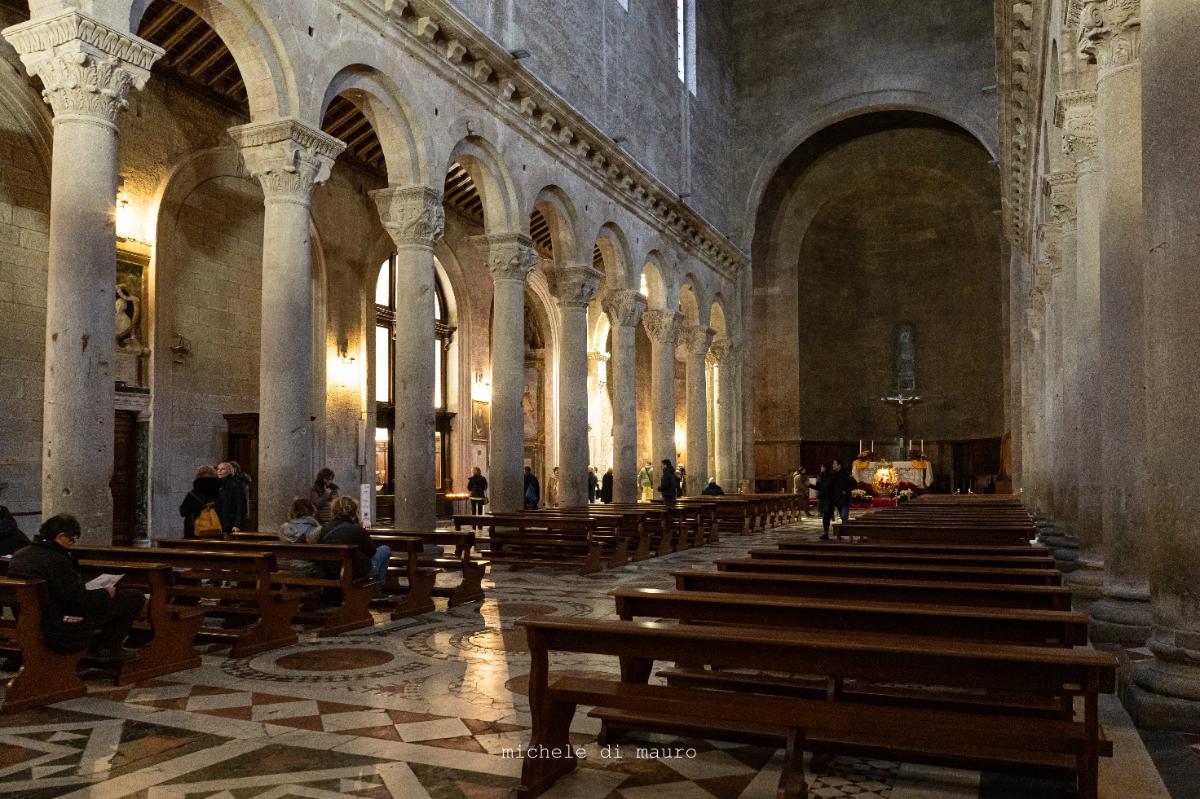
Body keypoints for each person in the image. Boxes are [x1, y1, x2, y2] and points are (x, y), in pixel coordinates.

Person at [8, 514, 144, 661]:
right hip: (60, 626)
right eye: (73, 539)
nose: (74, 544)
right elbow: (77, 603)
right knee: (132, 597)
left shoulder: (20, 555)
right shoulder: (57, 560)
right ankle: (109, 647)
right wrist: (105, 594)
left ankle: (100, 645)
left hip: (30, 620)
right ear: (61, 537)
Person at [318, 496, 390, 590]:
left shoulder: (324, 528)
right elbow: (371, 552)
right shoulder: (356, 529)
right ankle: (377, 587)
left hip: (330, 571)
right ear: (354, 512)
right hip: (354, 571)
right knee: (385, 549)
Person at [279, 498, 322, 577]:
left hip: (287, 568)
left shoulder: (284, 529)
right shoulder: (316, 529)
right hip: (311, 568)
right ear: (312, 511)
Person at [816, 460, 855, 540]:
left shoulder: (845, 474)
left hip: (844, 499)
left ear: (839, 465)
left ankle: (844, 534)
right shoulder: (833, 474)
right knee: (832, 516)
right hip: (836, 499)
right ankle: (827, 533)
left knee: (844, 516)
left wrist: (846, 490)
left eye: (834, 463)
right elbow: (828, 485)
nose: (833, 465)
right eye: (833, 463)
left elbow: (854, 483)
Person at [179, 465, 220, 538]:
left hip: (195, 532)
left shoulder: (193, 494)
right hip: (215, 532)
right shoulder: (220, 492)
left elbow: (183, 511)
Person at [215, 462, 246, 534]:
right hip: (219, 523)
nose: (219, 471)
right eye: (218, 469)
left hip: (230, 524)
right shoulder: (218, 484)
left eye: (223, 469)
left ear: (230, 471)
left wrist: (237, 524)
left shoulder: (236, 484)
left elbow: (241, 505)